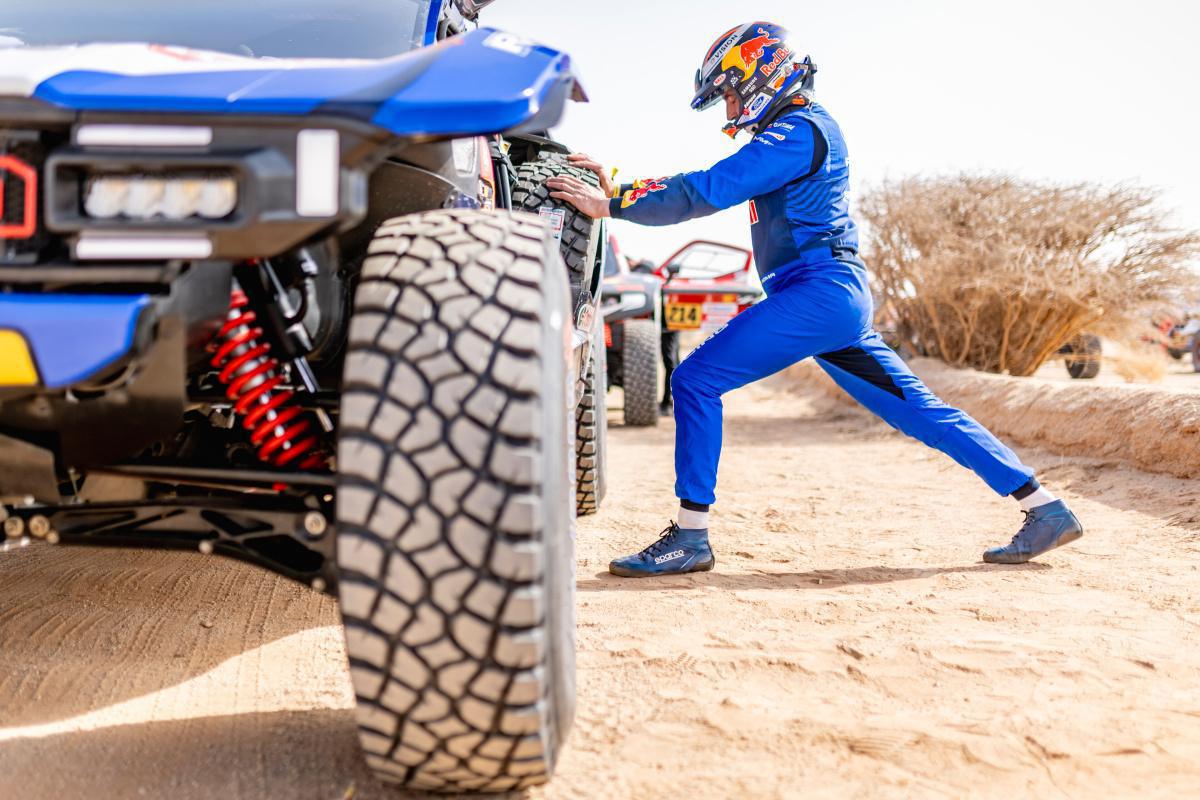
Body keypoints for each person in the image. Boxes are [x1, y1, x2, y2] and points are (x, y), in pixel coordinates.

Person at [548, 21, 1083, 577]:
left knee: (695, 380)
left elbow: (709, 188)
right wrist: (617, 183)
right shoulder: (796, 131)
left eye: (730, 90)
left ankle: (690, 536)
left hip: (818, 293)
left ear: (761, 72)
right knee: (923, 414)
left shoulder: (797, 130)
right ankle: (1045, 509)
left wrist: (612, 200)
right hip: (833, 297)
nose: (729, 107)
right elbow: (708, 184)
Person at [630, 257, 681, 416]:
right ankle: (668, 402)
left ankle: (668, 402)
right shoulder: (639, 284)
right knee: (670, 364)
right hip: (650, 329)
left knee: (671, 364)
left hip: (669, 329)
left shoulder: (663, 284)